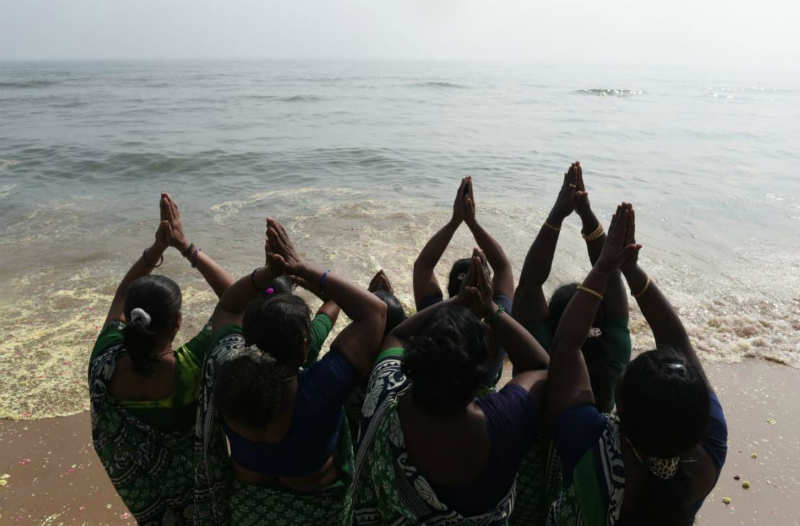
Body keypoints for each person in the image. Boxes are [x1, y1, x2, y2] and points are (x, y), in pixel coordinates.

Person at [194, 218, 387, 526]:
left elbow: (228, 308)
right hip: (318, 515)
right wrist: (300, 267)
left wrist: (266, 275)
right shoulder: (322, 386)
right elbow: (374, 312)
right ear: (303, 347)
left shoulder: (226, 371)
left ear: (247, 337)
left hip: (251, 513)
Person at [546, 203, 727, 526]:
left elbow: (564, 347)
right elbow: (674, 337)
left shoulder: (591, 446)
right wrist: (630, 272)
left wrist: (605, 268)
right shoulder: (707, 459)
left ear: (622, 406)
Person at [354, 248, 550, 525]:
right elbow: (540, 367)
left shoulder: (385, 394)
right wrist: (490, 309)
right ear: (481, 372)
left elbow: (398, 335)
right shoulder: (506, 418)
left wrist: (456, 302)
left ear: (414, 362)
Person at [89, 193, 234, 525]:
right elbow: (236, 299)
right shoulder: (191, 367)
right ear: (179, 322)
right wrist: (185, 247)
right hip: (204, 505)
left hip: (153, 510)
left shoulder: (104, 362)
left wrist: (155, 251)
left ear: (128, 316)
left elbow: (122, 292)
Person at [514, 162, 631, 412]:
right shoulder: (613, 356)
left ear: (551, 327)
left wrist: (557, 214)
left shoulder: (542, 357)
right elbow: (612, 279)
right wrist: (587, 215)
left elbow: (529, 286)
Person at [413, 177, 515, 385]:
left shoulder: (434, 319)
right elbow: (503, 267)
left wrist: (455, 221)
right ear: (487, 289)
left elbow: (423, 266)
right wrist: (472, 222)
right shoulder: (497, 329)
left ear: (451, 290)